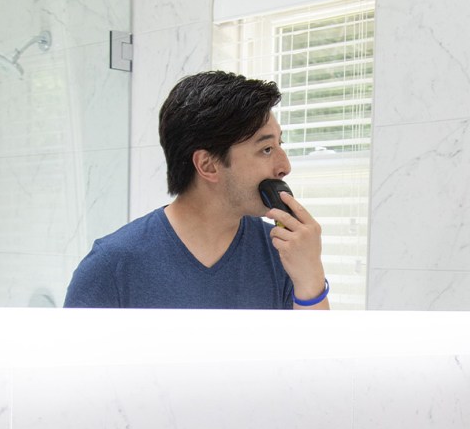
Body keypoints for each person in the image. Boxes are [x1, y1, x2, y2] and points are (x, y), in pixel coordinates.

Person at [64, 71, 329, 309]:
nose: (285, 166)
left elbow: (314, 362)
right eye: (266, 149)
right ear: (207, 165)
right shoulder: (112, 266)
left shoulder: (282, 252)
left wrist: (310, 278)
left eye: (280, 145)